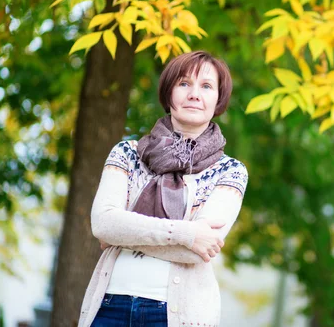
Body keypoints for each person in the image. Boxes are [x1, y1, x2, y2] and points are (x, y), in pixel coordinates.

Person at [78, 51, 248, 327]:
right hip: (108, 306)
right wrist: (187, 233)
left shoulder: (230, 171)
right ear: (169, 94)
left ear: (219, 99)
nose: (194, 94)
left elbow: (196, 251)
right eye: (184, 84)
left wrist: (123, 233)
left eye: (206, 86)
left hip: (175, 316)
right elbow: (103, 224)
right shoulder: (127, 153)